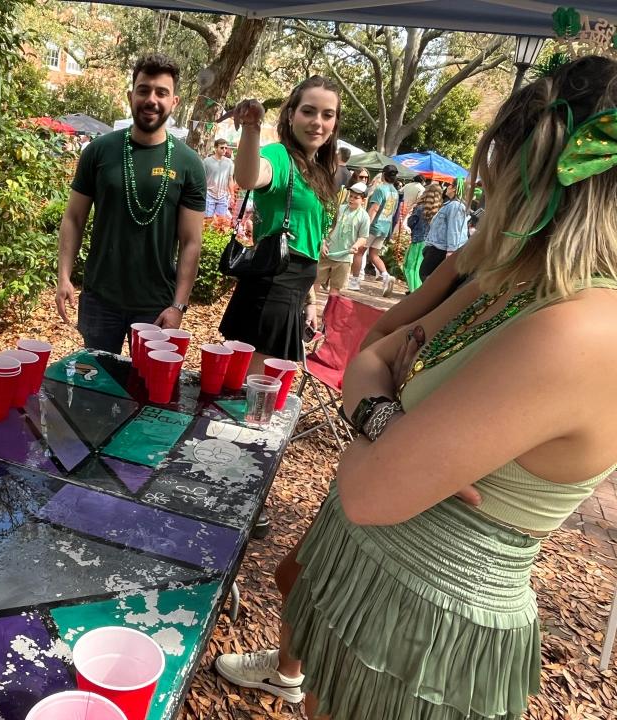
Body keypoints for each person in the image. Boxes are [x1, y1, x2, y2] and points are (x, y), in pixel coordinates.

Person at [215, 53, 617, 720]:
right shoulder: (511, 283)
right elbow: (370, 353)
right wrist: (386, 420)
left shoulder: (580, 330)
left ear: (540, 179)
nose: (486, 203)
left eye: (497, 183)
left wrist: (383, 411)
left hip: (426, 630)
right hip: (377, 586)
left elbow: (371, 489)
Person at [55, 53, 206, 353]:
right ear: (130, 95)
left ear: (174, 102)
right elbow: (74, 218)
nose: (151, 99)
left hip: (156, 306)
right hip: (100, 300)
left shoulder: (189, 163)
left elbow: (191, 242)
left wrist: (179, 305)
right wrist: (64, 276)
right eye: (144, 89)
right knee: (97, 388)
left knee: (147, 392)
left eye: (161, 92)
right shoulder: (98, 152)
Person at [219, 76, 339, 370]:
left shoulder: (320, 171)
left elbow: (307, 244)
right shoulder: (280, 155)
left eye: (327, 114)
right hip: (271, 290)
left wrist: (310, 300)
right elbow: (249, 176)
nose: (317, 122)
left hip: (294, 291)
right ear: (291, 114)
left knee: (259, 396)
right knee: (249, 395)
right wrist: (251, 128)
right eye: (308, 111)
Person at [349, 164, 398, 295]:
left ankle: (354, 281)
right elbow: (393, 212)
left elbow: (374, 209)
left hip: (373, 226)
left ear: (383, 174)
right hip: (385, 227)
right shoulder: (395, 192)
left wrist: (365, 225)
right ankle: (386, 276)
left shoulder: (380, 190)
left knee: (359, 252)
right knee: (374, 255)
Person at [316, 181, 368, 295]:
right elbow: (326, 226)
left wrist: (356, 245)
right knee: (315, 282)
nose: (352, 199)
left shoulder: (364, 217)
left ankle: (329, 312)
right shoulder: (339, 209)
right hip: (327, 252)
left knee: (335, 288)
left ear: (363, 201)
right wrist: (323, 242)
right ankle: (309, 309)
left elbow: (363, 237)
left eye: (356, 198)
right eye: (351, 196)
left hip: (344, 257)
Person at [419, 182, 469, 282]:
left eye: (450, 185)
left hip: (441, 249)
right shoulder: (450, 205)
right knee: (428, 276)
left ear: (454, 188)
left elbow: (454, 229)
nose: (447, 187)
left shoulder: (455, 206)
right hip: (438, 247)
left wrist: (451, 251)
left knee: (427, 276)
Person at [403, 182, 443, 292]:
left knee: (409, 267)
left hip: (417, 240)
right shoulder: (440, 210)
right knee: (419, 268)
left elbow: (411, 223)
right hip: (429, 243)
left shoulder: (420, 208)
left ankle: (414, 291)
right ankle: (418, 290)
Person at [203, 138, 234, 218]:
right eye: (222, 148)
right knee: (208, 221)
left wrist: (232, 196)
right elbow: (202, 179)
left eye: (226, 148)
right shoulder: (207, 161)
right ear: (216, 148)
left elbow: (230, 179)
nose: (224, 150)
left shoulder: (229, 162)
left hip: (223, 196)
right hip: (209, 194)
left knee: (221, 223)